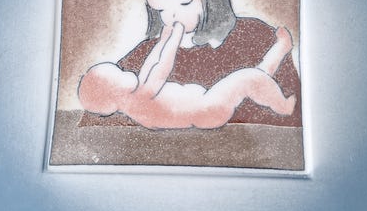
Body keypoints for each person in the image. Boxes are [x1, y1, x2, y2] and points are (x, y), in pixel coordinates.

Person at [112, 0, 302, 127]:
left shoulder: (255, 35)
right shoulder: (146, 54)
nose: (172, 16)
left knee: (252, 80)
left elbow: (293, 118)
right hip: (191, 128)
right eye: (160, 10)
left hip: (239, 137)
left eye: (185, 3)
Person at [78, 22, 296, 130]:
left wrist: (163, 40)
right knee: (249, 79)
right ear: (112, 97)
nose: (124, 70)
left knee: (253, 80)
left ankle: (280, 49)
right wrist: (175, 38)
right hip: (208, 108)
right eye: (118, 74)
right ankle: (283, 106)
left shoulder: (134, 101)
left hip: (205, 109)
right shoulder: (139, 99)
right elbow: (161, 68)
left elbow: (149, 66)